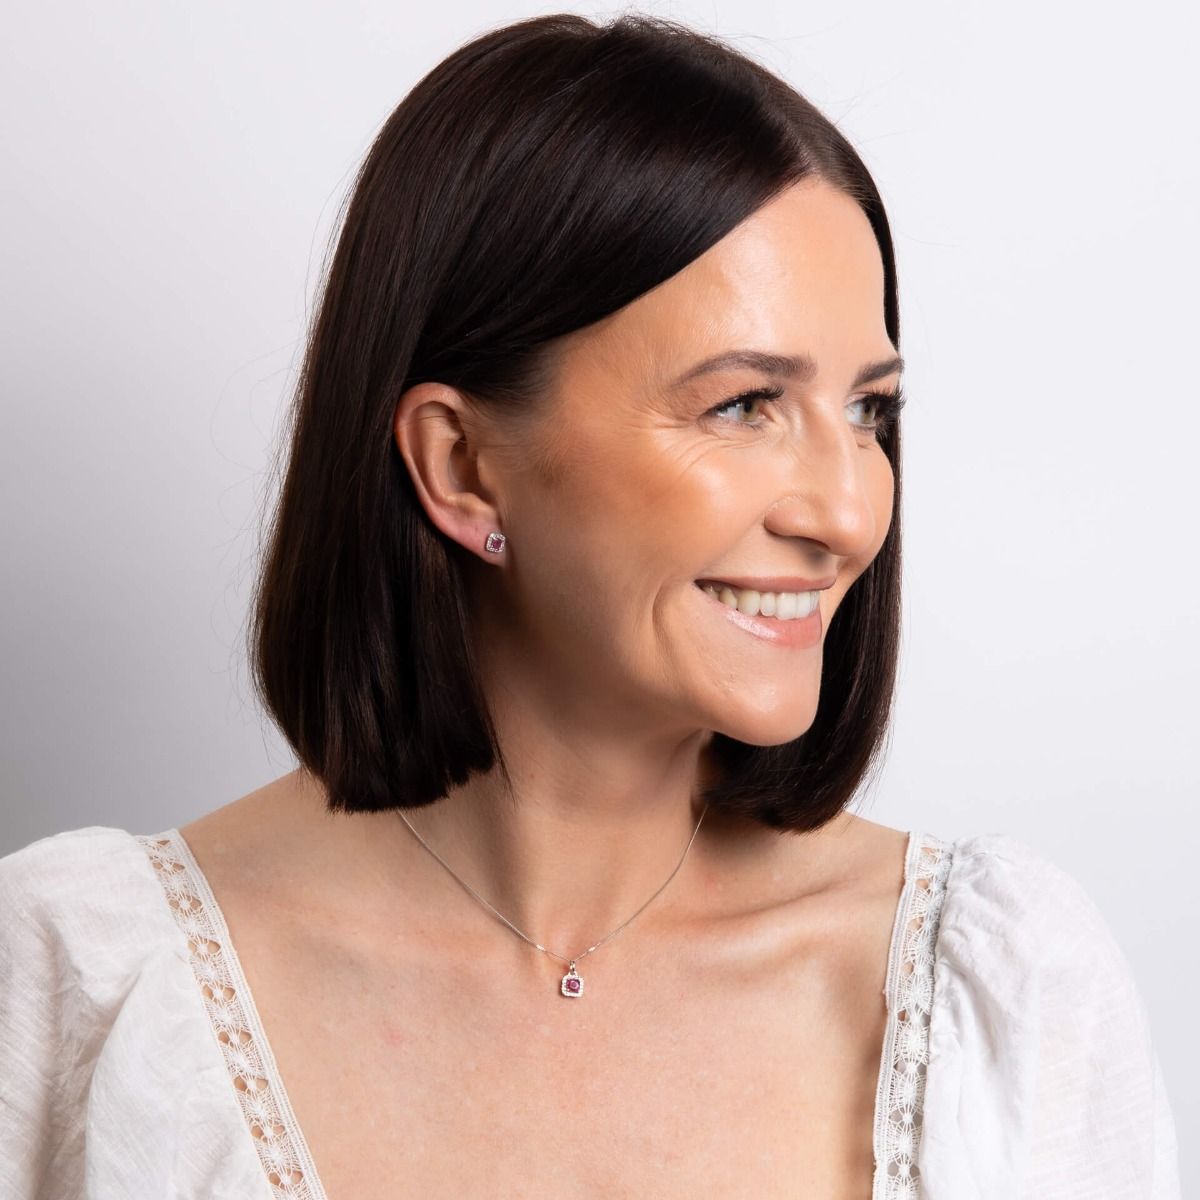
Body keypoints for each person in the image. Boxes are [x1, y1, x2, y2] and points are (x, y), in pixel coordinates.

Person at [0, 11, 1181, 1199]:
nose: (849, 513)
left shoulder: (1005, 1002)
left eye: (869, 411)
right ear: (463, 466)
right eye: (743, 406)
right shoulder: (85, 987)